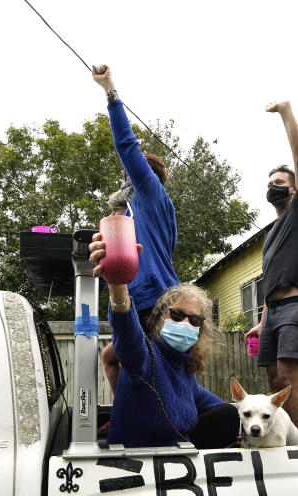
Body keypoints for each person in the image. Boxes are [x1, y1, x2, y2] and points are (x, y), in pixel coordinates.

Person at [91, 242, 239, 446]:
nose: (186, 323)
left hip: (177, 465)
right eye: (177, 315)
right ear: (158, 320)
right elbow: (125, 328)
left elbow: (233, 409)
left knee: (229, 415)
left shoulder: (187, 375)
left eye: (194, 320)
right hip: (134, 469)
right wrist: (117, 280)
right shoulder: (144, 358)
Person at [91, 64, 180, 394]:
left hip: (153, 302)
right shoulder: (142, 211)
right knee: (113, 358)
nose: (125, 175)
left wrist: (109, 90)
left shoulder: (150, 191)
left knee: (150, 370)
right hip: (144, 297)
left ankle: (144, 419)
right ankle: (125, 414)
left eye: (130, 172)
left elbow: (127, 145)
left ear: (143, 174)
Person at [244, 100, 298, 443]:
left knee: (291, 378)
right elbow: (268, 284)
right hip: (274, 311)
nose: (273, 184)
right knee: (274, 383)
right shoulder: (271, 234)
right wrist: (262, 319)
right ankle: (279, 443)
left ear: (292, 188)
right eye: (270, 181)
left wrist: (286, 112)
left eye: (279, 181)